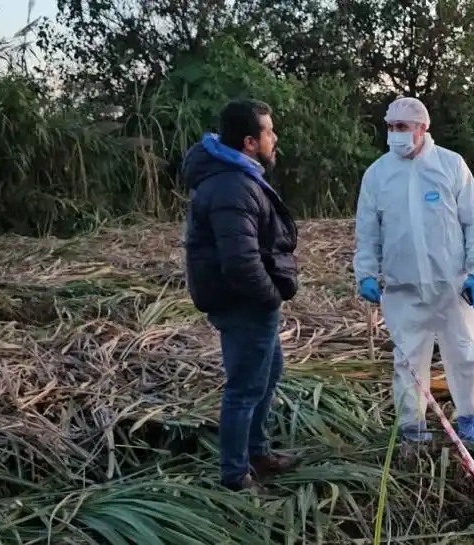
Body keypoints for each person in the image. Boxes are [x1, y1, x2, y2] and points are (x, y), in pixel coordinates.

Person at [353, 97, 474, 452]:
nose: (395, 134)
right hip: (404, 288)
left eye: (402, 127)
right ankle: (412, 428)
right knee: (407, 360)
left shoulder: (451, 166)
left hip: (453, 287)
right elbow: (367, 232)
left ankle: (473, 419)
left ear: (422, 128)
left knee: (465, 353)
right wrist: (366, 273)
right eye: (391, 127)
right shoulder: (378, 175)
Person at [182, 98, 302, 491]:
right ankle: (236, 475)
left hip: (250, 301)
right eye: (269, 132)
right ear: (250, 142)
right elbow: (239, 261)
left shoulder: (238, 176)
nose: (275, 138)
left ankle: (258, 453)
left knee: (268, 373)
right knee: (245, 387)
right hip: (244, 303)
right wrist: (270, 296)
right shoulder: (232, 186)